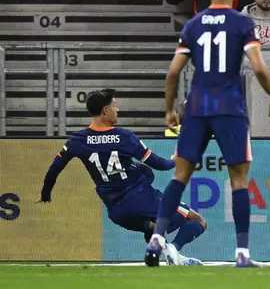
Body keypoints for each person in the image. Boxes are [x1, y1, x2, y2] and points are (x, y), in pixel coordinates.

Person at [145, 0, 270, 267]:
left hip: (196, 107)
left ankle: (156, 238)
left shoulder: (193, 25)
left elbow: (173, 72)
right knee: (239, 180)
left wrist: (169, 109)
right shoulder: (242, 22)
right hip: (230, 108)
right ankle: (242, 253)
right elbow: (258, 66)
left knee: (180, 176)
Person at [38, 89, 206, 266]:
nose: (117, 110)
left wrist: (45, 195)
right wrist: (177, 161)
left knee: (154, 228)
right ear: (105, 110)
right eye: (115, 106)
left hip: (117, 212)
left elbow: (54, 170)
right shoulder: (124, 137)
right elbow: (161, 165)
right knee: (198, 220)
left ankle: (158, 256)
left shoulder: (77, 140)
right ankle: (174, 249)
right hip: (142, 198)